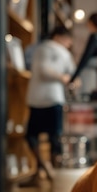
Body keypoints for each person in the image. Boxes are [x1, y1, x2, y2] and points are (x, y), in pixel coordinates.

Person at [25, 26, 76, 180]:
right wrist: (64, 78)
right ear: (59, 37)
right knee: (51, 135)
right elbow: (44, 70)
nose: (68, 44)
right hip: (49, 97)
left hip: (44, 97)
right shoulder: (46, 49)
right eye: (67, 41)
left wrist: (68, 79)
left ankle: (46, 167)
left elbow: (70, 72)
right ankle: (46, 167)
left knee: (34, 135)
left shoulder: (51, 50)